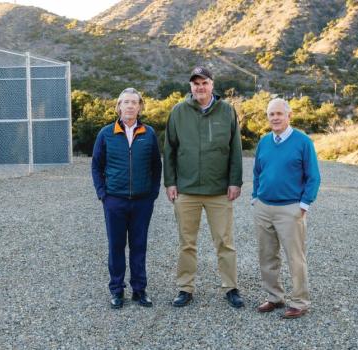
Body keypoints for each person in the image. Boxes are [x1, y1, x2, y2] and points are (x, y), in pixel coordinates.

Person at [163, 66, 244, 308]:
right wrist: (170, 183)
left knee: (224, 242)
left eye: (204, 82)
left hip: (219, 191)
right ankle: (185, 288)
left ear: (212, 85)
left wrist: (234, 181)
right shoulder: (178, 112)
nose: (200, 87)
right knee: (186, 243)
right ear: (190, 86)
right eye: (195, 83)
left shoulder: (227, 111)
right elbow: (169, 150)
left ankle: (230, 287)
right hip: (186, 190)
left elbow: (236, 150)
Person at [91, 87, 162, 309]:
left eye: (134, 102)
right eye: (126, 102)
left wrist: (152, 194)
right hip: (115, 201)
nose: (130, 106)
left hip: (142, 202)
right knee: (116, 246)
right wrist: (103, 194)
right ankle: (116, 290)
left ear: (140, 106)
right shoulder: (105, 133)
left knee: (139, 246)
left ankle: (139, 290)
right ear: (119, 107)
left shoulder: (148, 133)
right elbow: (96, 166)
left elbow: (156, 167)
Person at [252, 98, 321, 319]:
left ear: (289, 115)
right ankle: (274, 297)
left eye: (279, 114)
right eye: (271, 114)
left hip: (290, 209)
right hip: (263, 207)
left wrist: (304, 204)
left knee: (295, 257)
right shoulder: (264, 142)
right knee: (267, 255)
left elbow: (313, 177)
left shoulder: (303, 142)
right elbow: (257, 172)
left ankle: (300, 301)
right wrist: (255, 197)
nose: (275, 118)